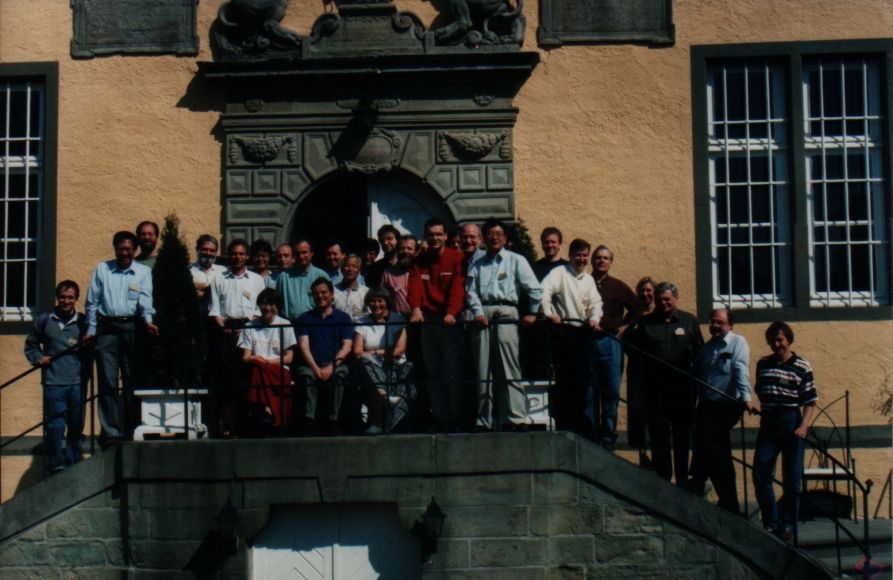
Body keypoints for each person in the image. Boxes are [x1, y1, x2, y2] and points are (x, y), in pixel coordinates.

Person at [465, 218, 542, 432]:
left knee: (509, 367)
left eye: (499, 234)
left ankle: (515, 419)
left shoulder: (516, 260)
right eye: (490, 234)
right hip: (482, 315)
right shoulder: (476, 264)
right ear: (484, 238)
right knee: (483, 369)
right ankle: (484, 421)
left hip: (507, 311)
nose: (494, 237)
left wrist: (532, 313)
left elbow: (535, 289)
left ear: (505, 238)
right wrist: (478, 312)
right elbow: (470, 292)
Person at [85, 231, 159, 443]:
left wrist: (148, 322)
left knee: (131, 381)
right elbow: (92, 303)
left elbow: (146, 300)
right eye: (120, 248)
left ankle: (132, 428)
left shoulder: (143, 272)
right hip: (107, 329)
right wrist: (90, 331)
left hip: (131, 328)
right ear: (115, 248)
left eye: (128, 249)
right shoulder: (102, 269)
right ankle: (111, 431)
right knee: (107, 381)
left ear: (134, 250)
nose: (124, 252)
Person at [627, 281, 703, 484]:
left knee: (681, 438)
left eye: (667, 299)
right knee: (659, 438)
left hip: (682, 391)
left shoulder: (689, 322)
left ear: (676, 299)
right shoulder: (646, 324)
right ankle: (663, 480)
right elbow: (633, 352)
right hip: (655, 391)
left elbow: (699, 354)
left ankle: (682, 479)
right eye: (660, 300)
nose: (664, 303)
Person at [753, 321, 818, 541]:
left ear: (788, 340)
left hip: (792, 424)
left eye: (779, 339)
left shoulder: (802, 366)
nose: (776, 344)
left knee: (792, 479)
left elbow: (810, 401)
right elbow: (760, 390)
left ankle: (788, 524)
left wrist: (803, 426)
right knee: (761, 473)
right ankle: (771, 522)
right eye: (772, 340)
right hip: (769, 424)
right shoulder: (763, 364)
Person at [688, 307, 754, 513]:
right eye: (712, 322)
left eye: (720, 322)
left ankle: (702, 483)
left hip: (727, 405)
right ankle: (722, 496)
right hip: (708, 405)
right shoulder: (707, 349)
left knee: (714, 446)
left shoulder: (738, 343)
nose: (715, 326)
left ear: (730, 325)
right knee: (708, 446)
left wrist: (747, 398)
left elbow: (740, 369)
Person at [408, 217, 466, 432]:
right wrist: (415, 307)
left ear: (446, 236)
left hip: (448, 321)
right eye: (431, 235)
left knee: (452, 370)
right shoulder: (419, 260)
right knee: (433, 372)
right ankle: (440, 417)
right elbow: (414, 286)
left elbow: (458, 288)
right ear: (426, 236)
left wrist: (452, 313)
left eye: (438, 234)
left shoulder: (456, 258)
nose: (435, 238)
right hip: (428, 322)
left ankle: (455, 418)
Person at [540, 238, 603, 432]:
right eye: (578, 255)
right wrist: (549, 313)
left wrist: (594, 318)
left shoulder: (589, 279)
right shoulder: (559, 273)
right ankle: (564, 425)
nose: (581, 259)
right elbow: (543, 292)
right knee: (564, 382)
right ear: (570, 255)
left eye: (585, 255)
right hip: (564, 332)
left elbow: (596, 304)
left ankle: (579, 426)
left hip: (583, 334)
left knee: (582, 381)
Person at [24, 280, 86, 473]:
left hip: (77, 381)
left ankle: (72, 461)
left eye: (70, 297)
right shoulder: (44, 320)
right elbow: (31, 345)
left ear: (76, 299)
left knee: (76, 425)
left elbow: (93, 348)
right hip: (53, 382)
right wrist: (37, 358)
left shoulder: (83, 322)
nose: (66, 301)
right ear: (57, 298)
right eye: (62, 297)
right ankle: (57, 463)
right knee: (56, 425)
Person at [209, 239, 267, 436]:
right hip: (226, 329)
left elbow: (260, 310)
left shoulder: (256, 280)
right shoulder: (219, 278)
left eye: (241, 254)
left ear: (247, 256)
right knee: (226, 377)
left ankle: (245, 424)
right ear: (229, 255)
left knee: (247, 376)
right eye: (234, 254)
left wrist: (247, 330)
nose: (238, 257)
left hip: (249, 328)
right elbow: (214, 309)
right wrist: (224, 328)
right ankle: (226, 424)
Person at [588, 245, 637, 449]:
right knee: (589, 391)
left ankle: (608, 437)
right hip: (587, 341)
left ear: (610, 262)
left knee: (611, 392)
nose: (601, 261)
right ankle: (590, 436)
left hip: (610, 343)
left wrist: (624, 327)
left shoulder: (618, 286)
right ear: (592, 261)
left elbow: (637, 308)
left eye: (606, 258)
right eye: (598, 257)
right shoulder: (583, 282)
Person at [352, 287, 416, 435]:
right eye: (372, 301)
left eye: (380, 301)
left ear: (387, 302)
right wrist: (381, 353)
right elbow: (357, 351)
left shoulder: (397, 319)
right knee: (365, 363)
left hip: (394, 364)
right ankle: (383, 398)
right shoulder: (362, 321)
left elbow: (399, 350)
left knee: (371, 365)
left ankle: (383, 423)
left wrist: (375, 352)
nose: (376, 304)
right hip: (371, 365)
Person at [295, 278, 353, 436]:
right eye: (316, 293)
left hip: (334, 364)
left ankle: (334, 420)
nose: (320, 296)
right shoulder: (304, 319)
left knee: (341, 374)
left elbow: (347, 346)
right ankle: (309, 421)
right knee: (306, 376)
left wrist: (330, 367)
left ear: (332, 294)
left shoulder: (343, 318)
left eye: (324, 292)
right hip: (310, 364)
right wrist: (315, 369)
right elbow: (303, 346)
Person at [238, 288, 296, 435]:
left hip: (278, 369)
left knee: (259, 369)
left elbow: (289, 358)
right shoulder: (250, 326)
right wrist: (257, 359)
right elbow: (245, 357)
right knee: (257, 369)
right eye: (263, 304)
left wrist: (268, 363)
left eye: (271, 304)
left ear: (277, 306)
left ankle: (265, 410)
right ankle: (268, 409)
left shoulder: (285, 324)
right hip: (257, 368)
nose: (267, 308)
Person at [625, 276, 657, 465]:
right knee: (637, 409)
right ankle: (642, 453)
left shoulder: (661, 314)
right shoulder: (633, 315)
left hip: (656, 372)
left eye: (648, 290)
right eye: (642, 290)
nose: (645, 294)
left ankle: (657, 454)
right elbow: (625, 338)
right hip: (637, 369)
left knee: (656, 411)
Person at [276, 240, 331, 322]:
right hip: (290, 325)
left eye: (304, 252)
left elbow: (329, 304)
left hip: (315, 324)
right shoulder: (284, 277)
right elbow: (277, 304)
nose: (301, 256)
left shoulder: (322, 275)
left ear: (311, 253)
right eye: (298, 253)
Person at [381, 235, 417, 317]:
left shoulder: (421, 271)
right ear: (397, 251)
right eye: (402, 248)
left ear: (416, 252)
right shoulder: (388, 273)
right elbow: (383, 297)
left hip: (419, 319)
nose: (405, 251)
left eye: (409, 248)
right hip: (397, 320)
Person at [190, 234, 226, 315]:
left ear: (216, 252)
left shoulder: (222, 271)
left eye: (212, 250)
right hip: (195, 317)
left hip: (218, 318)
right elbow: (186, 290)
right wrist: (213, 289)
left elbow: (225, 292)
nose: (208, 253)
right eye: (204, 249)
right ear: (197, 249)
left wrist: (200, 288)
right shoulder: (189, 270)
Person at [334, 253, 369, 321]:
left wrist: (356, 313)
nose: (350, 269)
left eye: (354, 266)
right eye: (347, 266)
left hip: (359, 330)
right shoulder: (333, 291)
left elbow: (369, 314)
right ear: (341, 269)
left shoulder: (366, 292)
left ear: (359, 271)